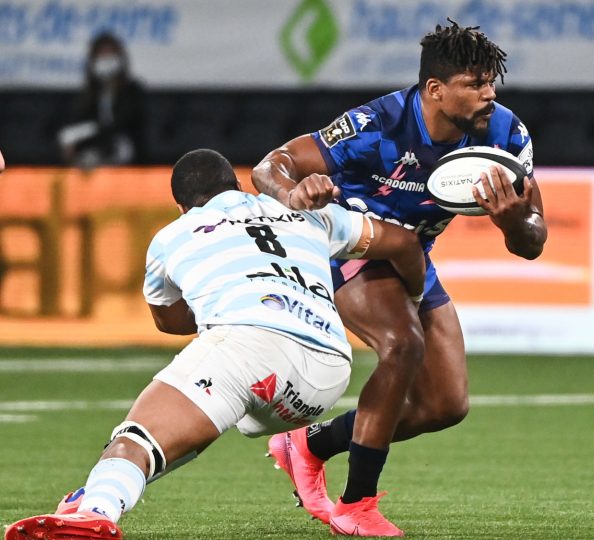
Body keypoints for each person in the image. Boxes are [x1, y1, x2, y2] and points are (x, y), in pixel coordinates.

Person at [3, 149, 426, 540]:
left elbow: (169, 321)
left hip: (247, 348)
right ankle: (103, 489)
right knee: (207, 404)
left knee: (137, 437)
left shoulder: (173, 235)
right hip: (326, 376)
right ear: (239, 186)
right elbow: (405, 244)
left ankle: (94, 509)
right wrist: (415, 300)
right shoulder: (306, 212)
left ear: (183, 206)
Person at [252, 19, 545, 537]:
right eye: (475, 84)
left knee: (445, 405)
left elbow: (533, 242)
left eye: (491, 82)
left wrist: (514, 222)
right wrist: (292, 195)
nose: (489, 94)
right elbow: (270, 166)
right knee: (401, 343)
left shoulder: (504, 134)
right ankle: (356, 504)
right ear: (435, 89)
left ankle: (307, 445)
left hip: (412, 256)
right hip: (348, 243)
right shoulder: (376, 124)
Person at [58, 32, 146, 168]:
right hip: (94, 154)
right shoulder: (89, 94)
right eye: (101, 55)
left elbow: (121, 124)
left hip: (127, 155)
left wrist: (85, 132)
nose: (106, 59)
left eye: (110, 54)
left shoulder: (133, 91)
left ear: (120, 58)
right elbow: (77, 122)